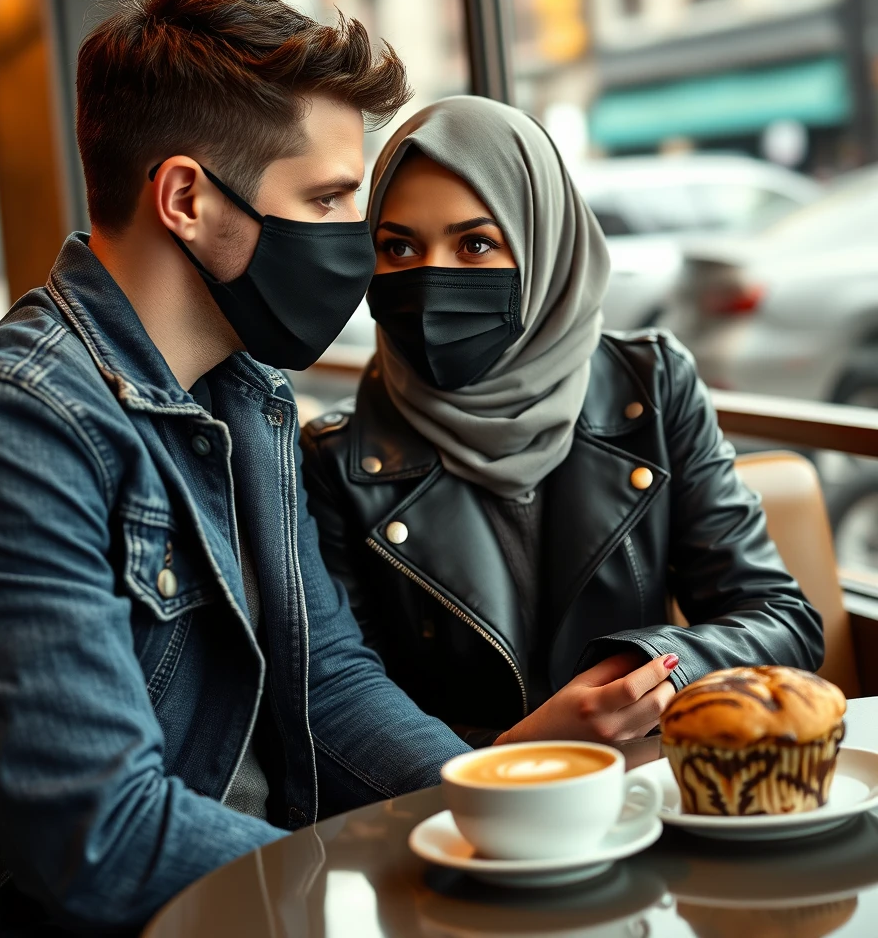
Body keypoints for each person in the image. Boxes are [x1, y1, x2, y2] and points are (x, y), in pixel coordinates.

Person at [0, 0, 472, 938]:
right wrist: (375, 896)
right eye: (327, 199)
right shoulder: (7, 424)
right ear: (186, 197)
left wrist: (493, 815)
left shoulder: (250, 393)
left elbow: (330, 688)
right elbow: (99, 837)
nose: (354, 242)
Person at [301, 95, 824, 750]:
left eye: (477, 244)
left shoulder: (652, 389)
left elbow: (782, 621)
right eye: (399, 246)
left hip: (645, 800)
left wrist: (657, 670)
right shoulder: (334, 459)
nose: (433, 279)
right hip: (457, 819)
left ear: (545, 247)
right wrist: (523, 748)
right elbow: (344, 718)